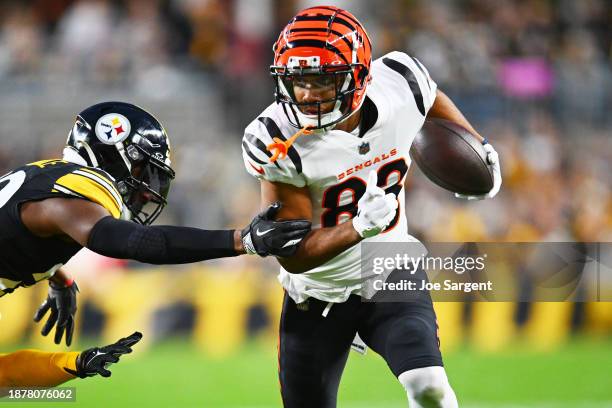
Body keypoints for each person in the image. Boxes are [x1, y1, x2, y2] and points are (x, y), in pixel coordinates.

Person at [240, 6, 501, 408]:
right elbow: (293, 255)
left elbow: (430, 100)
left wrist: (478, 150)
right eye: (297, 81)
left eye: (323, 80)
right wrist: (358, 228)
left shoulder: (400, 82)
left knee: (429, 387)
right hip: (319, 292)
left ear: (359, 77)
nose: (307, 94)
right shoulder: (276, 138)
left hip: (391, 269)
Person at [0, 101, 311, 390]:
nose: (148, 190)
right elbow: (133, 243)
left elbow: (24, 226)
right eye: (144, 170)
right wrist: (241, 240)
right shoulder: (80, 189)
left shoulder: (43, 175)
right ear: (117, 153)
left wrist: (59, 278)